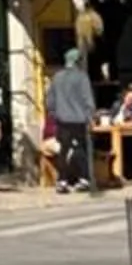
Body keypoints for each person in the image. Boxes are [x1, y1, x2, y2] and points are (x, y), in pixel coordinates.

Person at [46, 47, 97, 193]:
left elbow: (50, 100)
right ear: (77, 61)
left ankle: (62, 180)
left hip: (62, 119)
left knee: (64, 149)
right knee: (80, 148)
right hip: (78, 119)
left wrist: (54, 113)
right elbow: (88, 99)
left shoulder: (57, 77)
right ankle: (84, 179)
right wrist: (90, 116)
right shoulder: (81, 77)